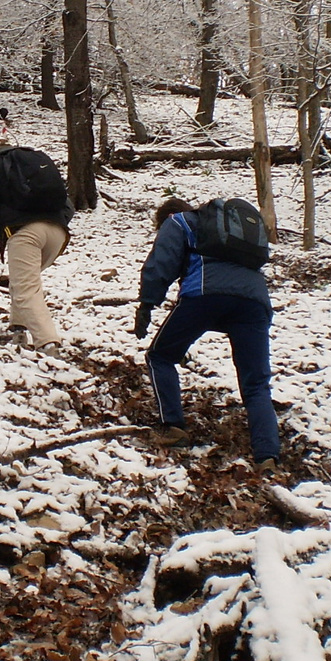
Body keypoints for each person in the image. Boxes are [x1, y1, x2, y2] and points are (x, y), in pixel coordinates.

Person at [134, 197, 279, 472]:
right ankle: (267, 455)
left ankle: (174, 428)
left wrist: (146, 305)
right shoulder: (228, 233)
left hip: (204, 294)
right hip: (255, 303)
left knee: (160, 356)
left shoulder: (177, 222)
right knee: (256, 384)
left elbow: (161, 264)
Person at [0, 120, 73, 356]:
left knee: (27, 289)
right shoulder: (32, 164)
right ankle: (18, 329)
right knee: (23, 279)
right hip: (57, 233)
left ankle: (49, 345)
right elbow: (68, 205)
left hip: (24, 234)